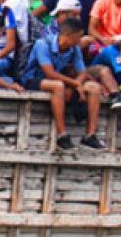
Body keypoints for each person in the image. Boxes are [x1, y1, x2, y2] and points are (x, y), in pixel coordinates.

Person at [23, 17, 105, 152]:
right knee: (58, 86)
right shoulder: (42, 44)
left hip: (60, 80)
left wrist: (78, 83)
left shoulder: (74, 48)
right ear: (69, 35)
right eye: (78, 37)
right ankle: (62, 136)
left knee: (94, 87)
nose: (80, 40)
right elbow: (49, 73)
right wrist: (75, 84)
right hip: (34, 80)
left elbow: (82, 71)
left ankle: (89, 135)